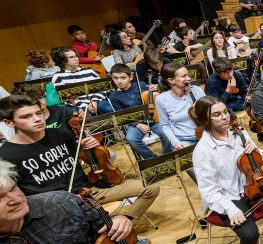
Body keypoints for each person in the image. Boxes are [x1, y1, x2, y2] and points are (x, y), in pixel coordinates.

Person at [0, 94, 159, 240]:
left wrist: (93, 147)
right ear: (9, 122)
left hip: (89, 191)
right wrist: (63, 201)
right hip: (56, 207)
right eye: (26, 116)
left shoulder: (60, 134)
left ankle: (121, 224)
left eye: (38, 113)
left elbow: (85, 159)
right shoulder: (6, 156)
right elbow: (19, 195)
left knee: (151, 187)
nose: (37, 119)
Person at [191, 96, 263, 244]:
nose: (224, 117)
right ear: (205, 120)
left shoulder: (239, 132)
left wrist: (256, 151)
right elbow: (209, 190)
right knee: (250, 235)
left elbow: (261, 161)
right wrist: (231, 210)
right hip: (230, 194)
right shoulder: (202, 151)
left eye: (225, 111)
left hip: (255, 182)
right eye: (216, 114)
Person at [0, 160, 133, 243]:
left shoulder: (62, 202)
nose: (16, 199)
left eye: (13, 188)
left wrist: (119, 220)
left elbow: (105, 228)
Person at [102, 64, 171, 160]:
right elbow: (123, 115)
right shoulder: (114, 97)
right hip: (135, 122)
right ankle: (152, 159)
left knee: (166, 133)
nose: (119, 81)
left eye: (123, 77)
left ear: (130, 77)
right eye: (115, 78)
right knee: (131, 139)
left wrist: (156, 89)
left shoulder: (141, 84)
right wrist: (138, 124)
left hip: (153, 117)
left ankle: (168, 155)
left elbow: (152, 99)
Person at [156, 62, 206, 152]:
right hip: (184, 140)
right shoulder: (161, 99)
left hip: (205, 134)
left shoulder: (196, 90)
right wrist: (176, 142)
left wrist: (202, 108)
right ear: (171, 80)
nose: (189, 78)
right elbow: (165, 125)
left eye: (188, 75)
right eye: (184, 76)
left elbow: (210, 113)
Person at [50, 47, 107, 114]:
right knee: (86, 117)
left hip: (97, 101)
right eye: (71, 57)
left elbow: (102, 89)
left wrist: (94, 102)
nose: (76, 59)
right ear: (63, 60)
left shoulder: (89, 71)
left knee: (108, 108)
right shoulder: (58, 77)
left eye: (76, 56)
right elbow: (67, 99)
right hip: (78, 106)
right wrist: (86, 106)